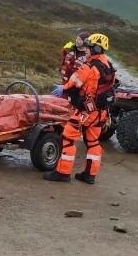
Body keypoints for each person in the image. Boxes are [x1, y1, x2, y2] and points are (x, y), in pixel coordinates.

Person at [44, 33, 116, 184]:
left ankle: (63, 173)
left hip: (85, 111)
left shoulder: (89, 67)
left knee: (68, 138)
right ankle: (89, 175)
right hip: (100, 112)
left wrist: (62, 88)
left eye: (89, 47)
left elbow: (74, 82)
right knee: (93, 142)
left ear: (96, 49)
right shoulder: (108, 66)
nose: (86, 50)